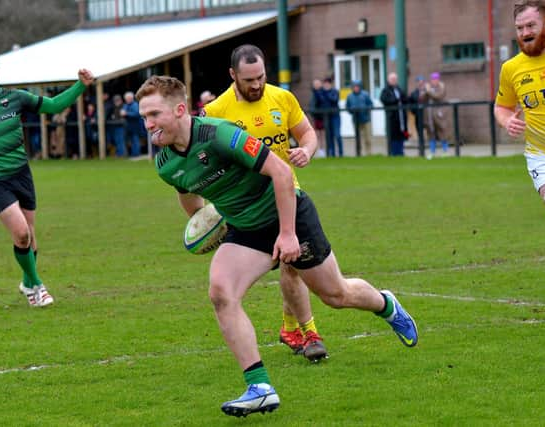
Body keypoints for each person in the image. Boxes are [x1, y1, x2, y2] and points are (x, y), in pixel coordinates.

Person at [136, 75, 418, 417]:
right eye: (144, 117)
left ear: (179, 109)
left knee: (335, 295)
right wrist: (203, 225)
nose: (148, 124)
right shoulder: (165, 164)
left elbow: (282, 173)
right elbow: (188, 194)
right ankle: (259, 387)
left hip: (289, 212)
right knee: (221, 293)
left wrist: (287, 234)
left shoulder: (220, 134)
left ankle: (386, 305)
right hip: (245, 228)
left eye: (153, 115)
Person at [203, 44, 327, 362]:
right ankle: (298, 329)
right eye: (249, 80)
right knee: (288, 267)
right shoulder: (216, 111)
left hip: (287, 196)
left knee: (292, 264)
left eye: (260, 76)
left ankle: (302, 331)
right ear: (232, 75)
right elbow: (204, 160)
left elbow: (308, 133)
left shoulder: (282, 98)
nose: (257, 84)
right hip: (248, 206)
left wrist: (306, 151)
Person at [0, 50, 94, 307]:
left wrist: (81, 85)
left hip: (21, 174)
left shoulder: (16, 98)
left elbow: (53, 106)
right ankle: (38, 286)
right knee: (22, 233)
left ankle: (26, 282)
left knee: (30, 237)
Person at [495, 0, 545, 275]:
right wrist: (507, 121)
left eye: (531, 26)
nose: (524, 32)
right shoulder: (512, 68)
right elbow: (502, 106)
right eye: (519, 27)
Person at [380, 72, 408, 156]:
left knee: (402, 133)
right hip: (392, 117)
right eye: (392, 79)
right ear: (388, 80)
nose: (394, 81)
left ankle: (401, 152)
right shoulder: (385, 90)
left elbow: (404, 98)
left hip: (401, 116)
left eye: (395, 79)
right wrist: (396, 100)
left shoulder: (399, 89)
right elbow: (385, 100)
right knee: (393, 135)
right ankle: (394, 152)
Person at [422, 72, 449, 159]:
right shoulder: (428, 88)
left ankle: (445, 151)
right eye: (433, 79)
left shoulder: (442, 87)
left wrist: (429, 91)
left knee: (442, 131)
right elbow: (422, 98)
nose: (434, 81)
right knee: (431, 133)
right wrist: (425, 91)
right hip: (429, 115)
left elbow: (437, 96)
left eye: (436, 79)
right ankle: (432, 152)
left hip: (439, 114)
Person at [344, 80, 374, 156]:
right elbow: (347, 107)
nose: (356, 88)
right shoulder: (350, 96)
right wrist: (352, 110)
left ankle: (369, 153)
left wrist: (365, 109)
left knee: (367, 138)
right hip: (356, 120)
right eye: (354, 87)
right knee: (358, 138)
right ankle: (358, 153)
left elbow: (371, 104)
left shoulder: (365, 95)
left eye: (357, 86)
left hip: (366, 119)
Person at [318, 77, 343, 157]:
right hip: (327, 117)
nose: (326, 85)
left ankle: (341, 153)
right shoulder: (322, 92)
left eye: (327, 84)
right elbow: (320, 101)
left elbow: (334, 100)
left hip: (335, 116)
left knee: (337, 134)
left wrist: (327, 93)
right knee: (329, 135)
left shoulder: (334, 92)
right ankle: (332, 153)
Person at [121, 91, 144, 157]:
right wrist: (122, 113)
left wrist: (126, 113)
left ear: (131, 98)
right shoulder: (125, 105)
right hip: (128, 126)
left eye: (128, 98)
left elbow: (137, 114)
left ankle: (136, 154)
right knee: (130, 141)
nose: (127, 100)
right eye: (126, 98)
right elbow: (123, 112)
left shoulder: (135, 105)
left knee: (135, 139)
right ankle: (132, 154)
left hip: (135, 126)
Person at [309, 79, 326, 157]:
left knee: (323, 133)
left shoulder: (323, 93)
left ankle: (323, 149)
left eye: (318, 84)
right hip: (316, 117)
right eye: (315, 84)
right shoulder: (313, 94)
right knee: (317, 134)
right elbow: (312, 105)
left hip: (324, 116)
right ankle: (319, 150)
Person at [408, 75, 426, 147]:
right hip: (418, 114)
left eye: (422, 82)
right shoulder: (414, 93)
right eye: (419, 82)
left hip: (426, 114)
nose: (420, 83)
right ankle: (421, 144)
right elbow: (410, 103)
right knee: (419, 128)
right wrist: (414, 111)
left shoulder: (427, 91)